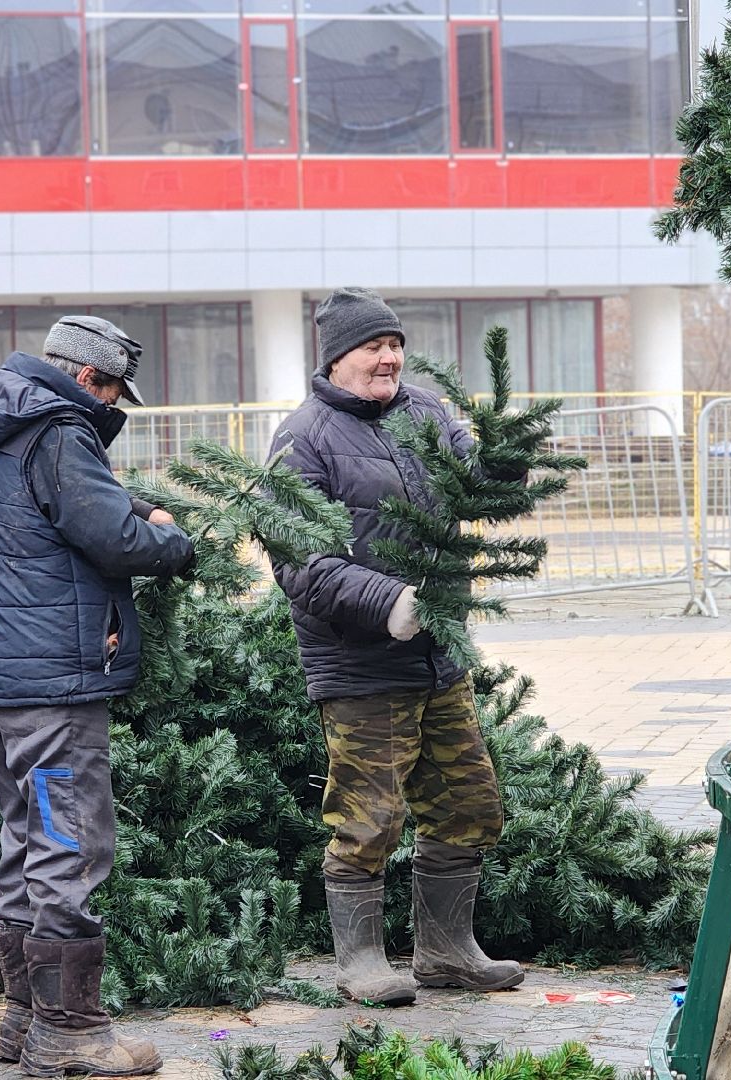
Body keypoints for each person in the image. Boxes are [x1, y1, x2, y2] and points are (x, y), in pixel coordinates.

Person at [0, 314, 194, 1078]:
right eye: (111, 393)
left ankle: (23, 1021)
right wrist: (173, 539)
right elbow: (110, 536)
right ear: (88, 379)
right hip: (54, 684)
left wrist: (128, 499)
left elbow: (72, 503)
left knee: (27, 835)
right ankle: (73, 1032)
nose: (111, 408)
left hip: (4, 679)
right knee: (69, 839)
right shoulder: (58, 429)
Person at [269, 287, 523, 1006]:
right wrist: (389, 603)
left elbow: (475, 473)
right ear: (337, 358)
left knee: (469, 803)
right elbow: (299, 563)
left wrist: (506, 462)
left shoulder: (426, 412)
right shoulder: (305, 437)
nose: (389, 358)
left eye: (394, 345)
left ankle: (447, 953)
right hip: (360, 665)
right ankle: (359, 962)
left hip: (438, 657)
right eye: (372, 347)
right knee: (368, 818)